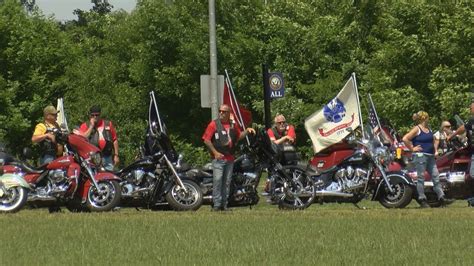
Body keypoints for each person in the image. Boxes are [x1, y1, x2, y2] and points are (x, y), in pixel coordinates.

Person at [202, 104, 255, 211]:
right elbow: (206, 140)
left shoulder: (232, 125)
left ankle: (225, 205)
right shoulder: (214, 124)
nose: (221, 113)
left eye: (224, 111)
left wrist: (247, 130)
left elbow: (238, 136)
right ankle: (216, 205)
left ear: (228, 113)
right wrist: (215, 152)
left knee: (227, 182)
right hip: (218, 159)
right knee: (217, 181)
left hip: (230, 158)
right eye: (220, 111)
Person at [402, 111, 453, 208]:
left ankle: (441, 197)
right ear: (424, 118)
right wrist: (412, 148)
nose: (428, 119)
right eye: (427, 117)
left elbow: (433, 140)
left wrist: (435, 151)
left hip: (430, 156)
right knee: (421, 178)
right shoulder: (417, 129)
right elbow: (405, 138)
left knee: (435, 176)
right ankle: (422, 199)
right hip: (421, 156)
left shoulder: (428, 129)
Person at [79, 105, 119, 171]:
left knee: (109, 178)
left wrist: (116, 155)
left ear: (100, 115)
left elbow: (114, 140)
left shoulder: (108, 124)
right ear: (90, 115)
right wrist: (91, 126)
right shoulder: (85, 125)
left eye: (97, 115)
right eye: (93, 115)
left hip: (107, 157)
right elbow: (82, 139)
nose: (95, 117)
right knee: (95, 179)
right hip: (93, 159)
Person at [448, 102, 474, 178]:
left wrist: (451, 135)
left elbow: (462, 128)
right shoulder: (471, 121)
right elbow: (463, 128)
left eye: (471, 108)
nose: (470, 110)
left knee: (473, 173)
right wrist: (453, 135)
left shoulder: (472, 120)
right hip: (471, 149)